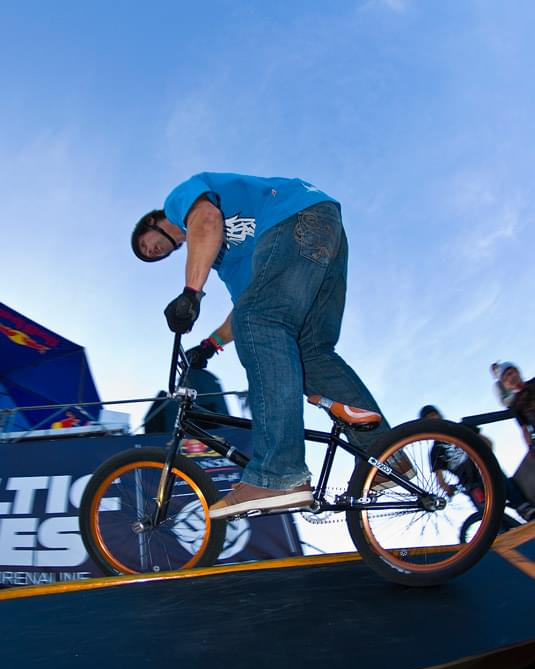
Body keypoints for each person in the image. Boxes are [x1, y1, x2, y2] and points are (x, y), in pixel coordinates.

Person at [131, 172, 391, 519]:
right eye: (151, 257)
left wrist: (191, 293)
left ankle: (278, 474)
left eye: (146, 244)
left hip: (296, 215)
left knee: (263, 323)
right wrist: (211, 344)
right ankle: (388, 459)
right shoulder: (223, 258)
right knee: (310, 354)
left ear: (153, 221)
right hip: (323, 232)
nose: (152, 252)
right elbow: (247, 308)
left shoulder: (179, 203)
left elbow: (206, 220)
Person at [418, 404, 535, 522]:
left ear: (439, 416)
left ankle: (525, 509)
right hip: (471, 484)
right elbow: (439, 477)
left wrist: (478, 444)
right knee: (487, 514)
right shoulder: (436, 450)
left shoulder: (460, 428)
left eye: (434, 415)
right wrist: (447, 488)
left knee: (500, 481)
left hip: (485, 469)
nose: (433, 419)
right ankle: (499, 526)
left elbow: (488, 443)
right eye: (429, 418)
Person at [496, 362, 535, 457]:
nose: (510, 379)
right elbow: (524, 429)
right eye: (505, 379)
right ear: (505, 385)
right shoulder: (515, 406)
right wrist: (530, 446)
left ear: (517, 372)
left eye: (510, 373)